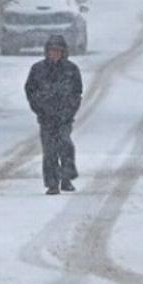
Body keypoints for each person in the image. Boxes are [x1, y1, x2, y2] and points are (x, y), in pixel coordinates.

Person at [25, 35, 83, 195]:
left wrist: (70, 110)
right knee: (49, 150)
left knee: (65, 144)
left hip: (65, 117)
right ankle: (52, 183)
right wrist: (39, 108)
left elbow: (77, 92)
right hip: (46, 117)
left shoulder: (71, 69)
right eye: (52, 51)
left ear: (63, 52)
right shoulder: (37, 70)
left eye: (58, 51)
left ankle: (66, 178)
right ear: (47, 52)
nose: (55, 54)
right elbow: (30, 91)